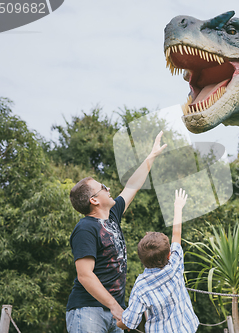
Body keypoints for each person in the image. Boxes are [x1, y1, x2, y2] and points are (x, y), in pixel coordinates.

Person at [66, 131, 167, 333]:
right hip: (88, 311)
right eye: (102, 187)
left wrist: (151, 156)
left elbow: (133, 185)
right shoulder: (85, 228)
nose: (108, 188)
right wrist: (115, 306)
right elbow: (85, 275)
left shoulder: (112, 216)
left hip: (113, 313)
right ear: (93, 200)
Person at [117, 188, 199, 333]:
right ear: (168, 254)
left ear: (142, 260)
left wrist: (117, 323)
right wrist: (178, 207)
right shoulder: (175, 263)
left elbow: (130, 323)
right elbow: (176, 233)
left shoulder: (141, 286)